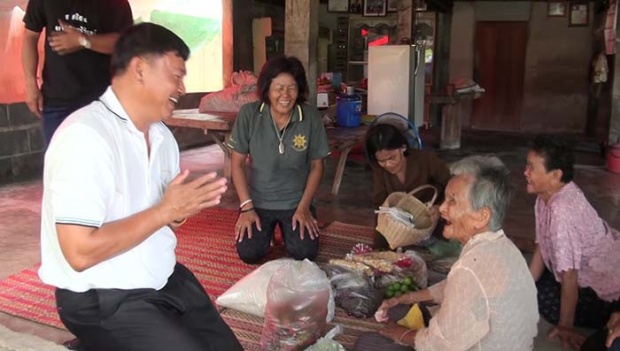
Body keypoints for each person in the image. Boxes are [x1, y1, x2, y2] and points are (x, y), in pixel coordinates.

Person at [39, 23, 243, 351]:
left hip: (162, 278)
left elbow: (161, 214)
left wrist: (177, 212)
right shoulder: (86, 136)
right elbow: (78, 252)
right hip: (101, 294)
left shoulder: (162, 138)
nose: (182, 86)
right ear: (139, 70)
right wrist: (165, 210)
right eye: (176, 75)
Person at [354, 155, 539, 351]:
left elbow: (441, 345)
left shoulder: (470, 270)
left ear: (481, 216)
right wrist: (401, 298)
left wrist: (401, 334)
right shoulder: (502, 247)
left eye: (453, 201)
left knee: (368, 343)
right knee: (401, 309)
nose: (442, 208)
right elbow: (453, 287)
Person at [228, 55, 330, 264]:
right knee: (249, 253)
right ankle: (270, 232)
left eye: (292, 88)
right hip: (257, 202)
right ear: (267, 89)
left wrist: (304, 207)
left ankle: (288, 229)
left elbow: (317, 167)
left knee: (304, 252)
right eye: (279, 88)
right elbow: (236, 164)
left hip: (296, 201)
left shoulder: (310, 117)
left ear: (299, 89)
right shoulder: (249, 114)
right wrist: (247, 207)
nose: (285, 95)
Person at [525, 136, 620, 350]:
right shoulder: (545, 196)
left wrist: (565, 325)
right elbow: (542, 246)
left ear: (555, 175)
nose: (525, 172)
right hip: (589, 265)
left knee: (545, 301)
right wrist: (525, 287)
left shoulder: (562, 211)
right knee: (530, 289)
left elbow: (570, 275)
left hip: (604, 283)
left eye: (531, 168)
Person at [22, 0, 133, 145]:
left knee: (100, 160)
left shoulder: (115, 3)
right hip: (57, 101)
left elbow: (125, 44)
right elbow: (30, 36)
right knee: (61, 161)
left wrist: (83, 41)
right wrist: (31, 84)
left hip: (102, 101)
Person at [364, 123, 450, 247]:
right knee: (384, 252)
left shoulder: (425, 160)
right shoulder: (379, 170)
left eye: (391, 158)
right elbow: (379, 203)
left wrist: (439, 207)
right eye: (382, 161)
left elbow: (451, 185)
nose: (388, 165)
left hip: (432, 219)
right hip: (400, 226)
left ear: (403, 148)